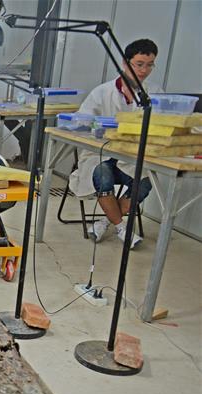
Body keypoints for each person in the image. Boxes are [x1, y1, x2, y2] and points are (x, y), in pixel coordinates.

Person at [70, 38, 162, 248]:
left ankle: (105, 221)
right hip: (101, 153)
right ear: (124, 62)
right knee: (103, 174)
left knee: (145, 182)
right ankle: (123, 228)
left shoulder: (154, 93)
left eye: (149, 65)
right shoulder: (102, 92)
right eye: (139, 64)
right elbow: (80, 122)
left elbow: (160, 124)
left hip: (131, 157)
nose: (144, 70)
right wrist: (103, 128)